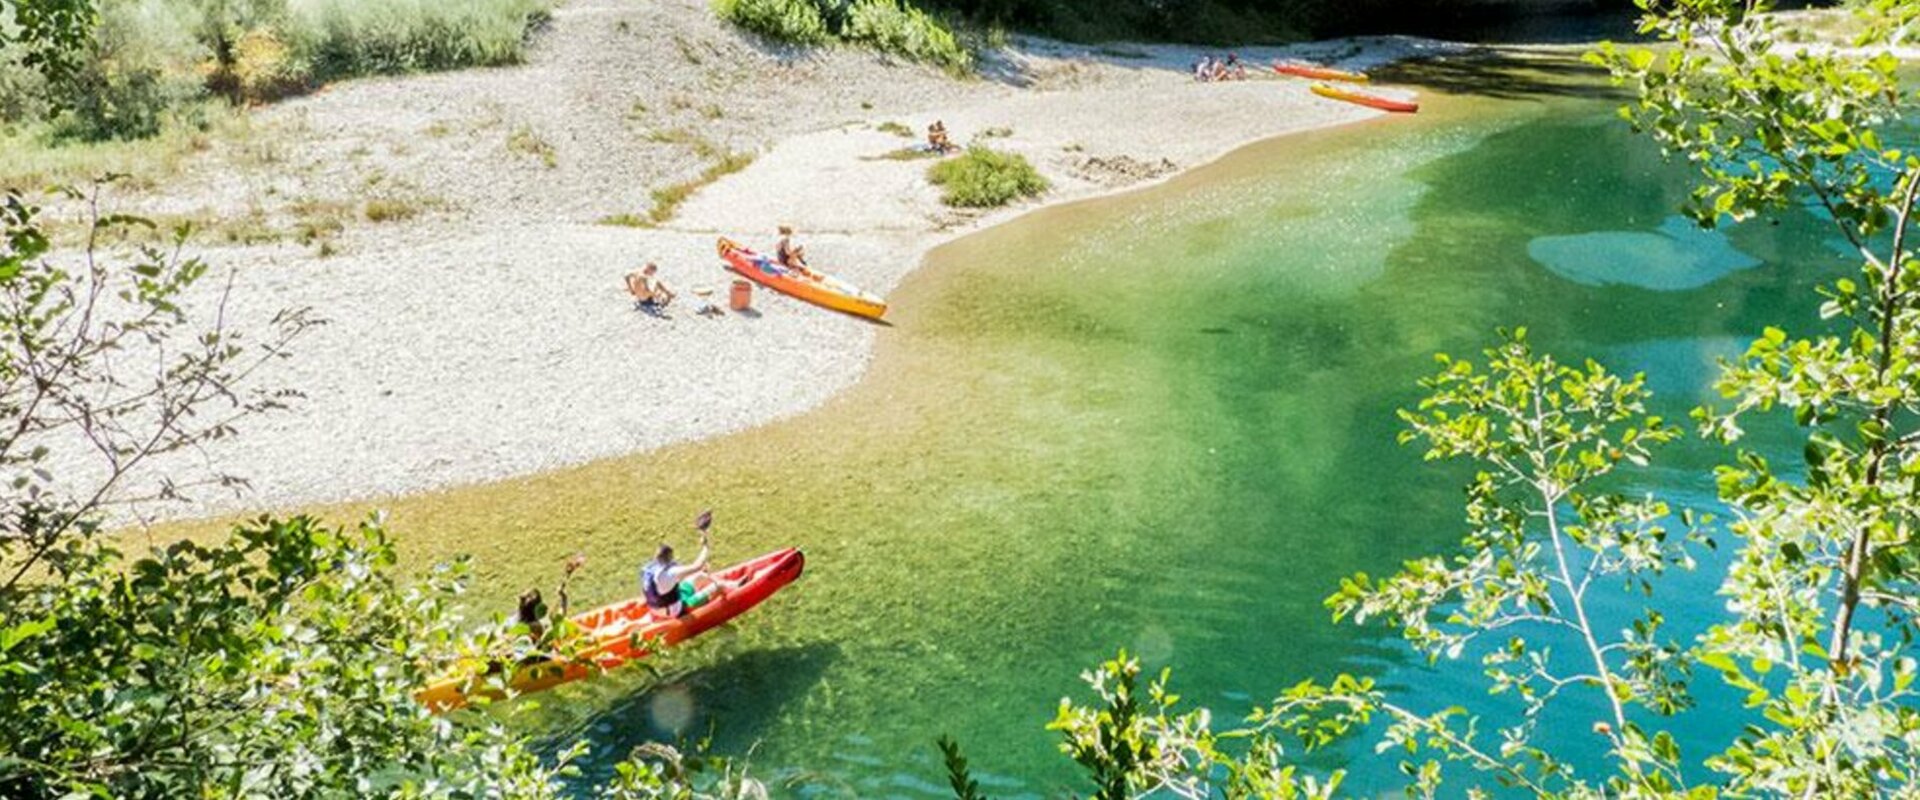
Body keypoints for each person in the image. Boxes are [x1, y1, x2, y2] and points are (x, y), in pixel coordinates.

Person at [640, 510, 742, 619]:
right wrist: (706, 546)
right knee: (718, 586)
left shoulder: (649, 568)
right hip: (676, 610)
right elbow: (697, 565)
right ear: (669, 557)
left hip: (658, 607)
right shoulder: (670, 573)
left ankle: (722, 588)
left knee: (700, 576)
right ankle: (735, 589)